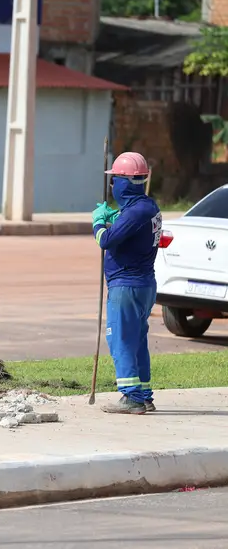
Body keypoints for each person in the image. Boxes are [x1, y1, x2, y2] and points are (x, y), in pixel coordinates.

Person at [92, 151, 161, 415]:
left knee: (121, 340)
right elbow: (128, 230)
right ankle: (144, 395)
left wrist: (98, 222)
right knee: (137, 341)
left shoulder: (136, 212)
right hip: (143, 285)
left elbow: (105, 241)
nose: (111, 186)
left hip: (127, 286)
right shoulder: (147, 207)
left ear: (125, 181)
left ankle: (131, 397)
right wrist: (113, 220)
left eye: (115, 180)